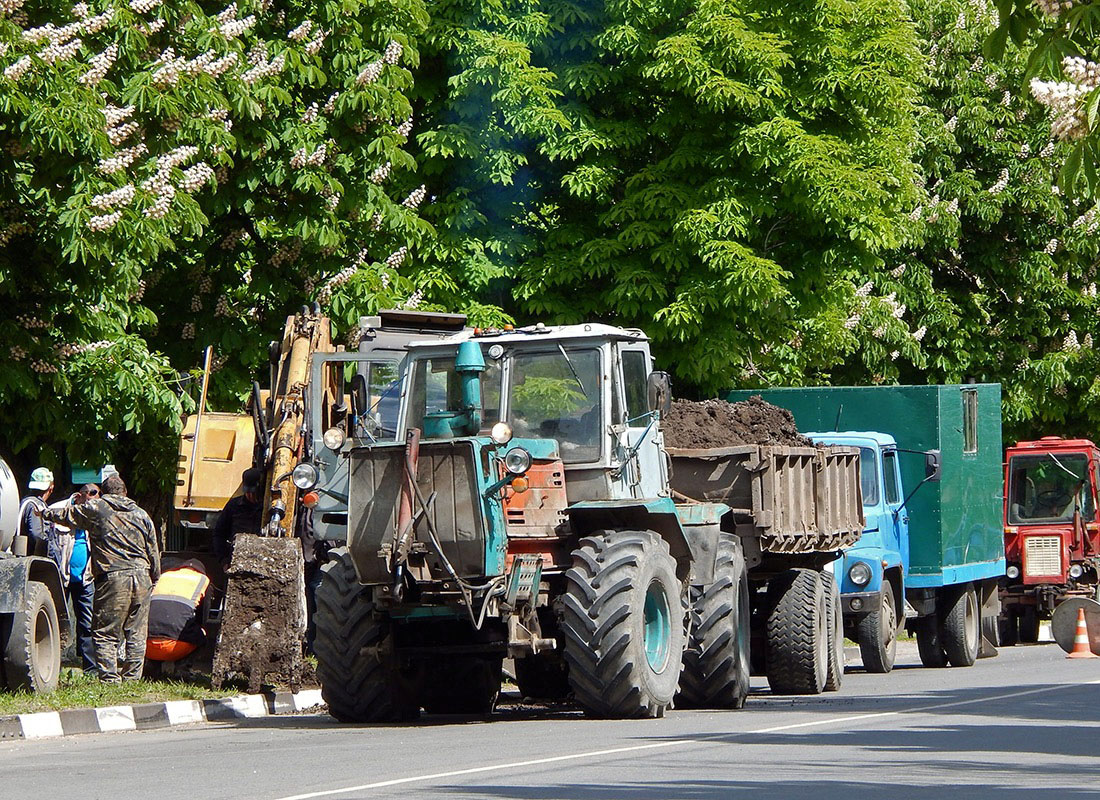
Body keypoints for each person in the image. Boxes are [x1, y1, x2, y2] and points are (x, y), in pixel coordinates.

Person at [39, 474, 160, 683]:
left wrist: (44, 513)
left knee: (105, 631)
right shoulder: (142, 514)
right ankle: (132, 678)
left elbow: (68, 515)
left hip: (113, 577)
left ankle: (110, 679)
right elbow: (153, 550)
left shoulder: (98, 508)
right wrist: (155, 576)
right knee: (137, 632)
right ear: (125, 492)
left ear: (103, 493)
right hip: (142, 576)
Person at [50, 484, 99, 673]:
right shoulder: (58, 509)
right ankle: (54, 665)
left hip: (85, 578)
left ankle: (90, 668)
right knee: (57, 620)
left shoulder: (95, 513)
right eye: (91, 495)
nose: (94, 501)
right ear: (79, 496)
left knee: (87, 622)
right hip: (61, 578)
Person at [146, 558, 211, 666]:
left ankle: (153, 668)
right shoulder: (203, 580)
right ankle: (183, 668)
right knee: (201, 633)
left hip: (146, 647)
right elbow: (203, 617)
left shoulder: (164, 576)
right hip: (175, 649)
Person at [212, 467, 263, 565]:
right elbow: (219, 534)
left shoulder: (270, 509)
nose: (250, 496)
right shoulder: (233, 506)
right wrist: (223, 560)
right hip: (237, 559)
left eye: (253, 493)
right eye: (248, 492)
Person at [18, 467, 63, 573]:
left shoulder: (26, 502)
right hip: (38, 563)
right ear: (51, 488)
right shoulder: (35, 505)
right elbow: (37, 535)